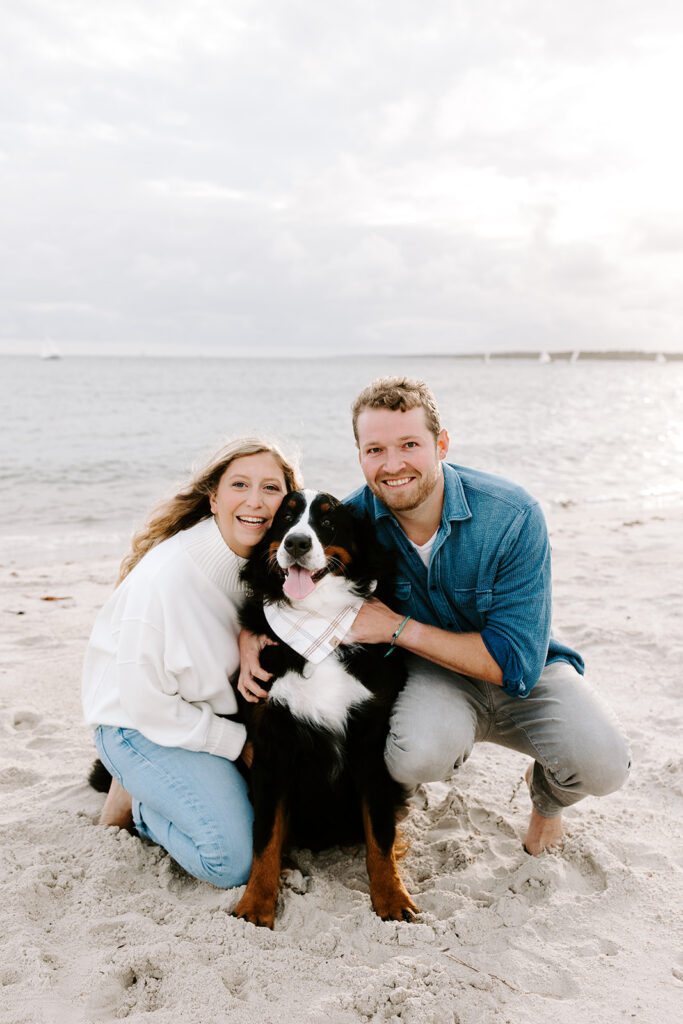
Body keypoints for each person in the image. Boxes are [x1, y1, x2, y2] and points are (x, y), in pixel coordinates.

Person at [239, 377, 630, 855]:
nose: (393, 465)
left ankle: (547, 798)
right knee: (413, 755)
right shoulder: (351, 520)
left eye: (409, 444)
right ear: (360, 456)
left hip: (524, 668)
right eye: (376, 450)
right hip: (435, 676)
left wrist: (398, 628)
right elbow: (292, 583)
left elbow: (517, 663)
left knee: (604, 765)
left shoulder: (512, 515)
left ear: (441, 444)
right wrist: (249, 633)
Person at [82, 438, 301, 888]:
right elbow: (144, 702)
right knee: (231, 860)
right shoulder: (167, 578)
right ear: (214, 498)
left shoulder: (274, 562)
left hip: (204, 712)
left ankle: (145, 786)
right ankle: (142, 807)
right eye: (239, 485)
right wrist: (237, 743)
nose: (255, 501)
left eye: (271, 488)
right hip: (137, 723)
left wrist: (249, 631)